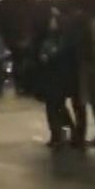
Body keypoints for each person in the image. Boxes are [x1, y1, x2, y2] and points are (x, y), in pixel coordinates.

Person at [33, 11, 77, 146]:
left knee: (55, 106)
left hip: (55, 76)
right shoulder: (55, 40)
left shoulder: (59, 41)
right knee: (56, 106)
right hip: (54, 77)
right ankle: (61, 132)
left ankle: (59, 133)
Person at [70, 7, 95, 148]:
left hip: (91, 68)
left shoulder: (90, 24)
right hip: (88, 67)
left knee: (94, 102)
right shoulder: (87, 24)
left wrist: (92, 61)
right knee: (92, 102)